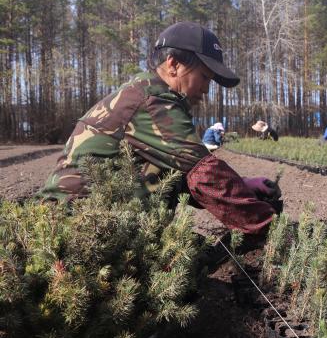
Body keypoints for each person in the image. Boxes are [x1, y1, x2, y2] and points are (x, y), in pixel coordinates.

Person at [38, 22, 280, 235]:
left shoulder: (146, 93)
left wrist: (244, 184)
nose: (206, 90)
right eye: (204, 77)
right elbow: (205, 174)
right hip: (78, 223)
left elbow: (179, 175)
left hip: (82, 219)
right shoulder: (153, 101)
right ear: (173, 64)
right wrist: (269, 226)